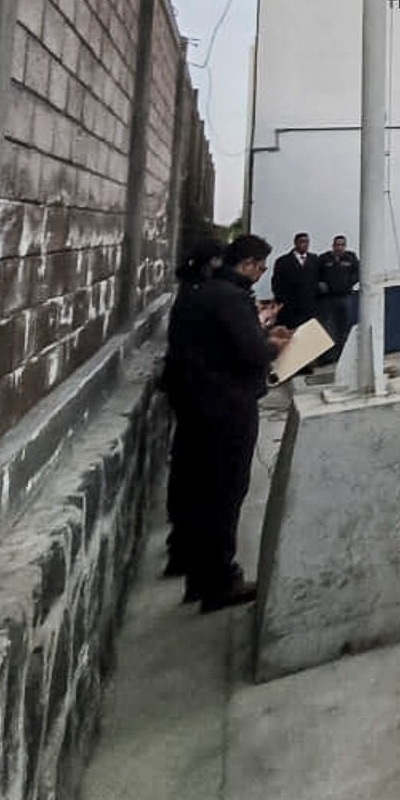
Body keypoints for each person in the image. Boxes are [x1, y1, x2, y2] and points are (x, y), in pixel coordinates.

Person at [171, 234, 290, 612]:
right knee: (223, 492)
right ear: (249, 264)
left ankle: (197, 570)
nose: (261, 275)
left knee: (203, 489)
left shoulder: (201, 294)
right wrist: (275, 346)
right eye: (260, 267)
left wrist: (262, 333)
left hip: (202, 403)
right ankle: (218, 579)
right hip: (226, 407)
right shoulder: (227, 297)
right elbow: (250, 350)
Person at [158, 237, 223, 580]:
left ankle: (184, 550)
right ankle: (196, 560)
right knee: (202, 477)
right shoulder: (199, 298)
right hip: (203, 398)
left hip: (192, 395)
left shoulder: (190, 295)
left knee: (189, 473)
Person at [317, 233, 361, 366]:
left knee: (344, 326)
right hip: (328, 299)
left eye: (342, 245)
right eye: (337, 245)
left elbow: (358, 273)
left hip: (345, 297)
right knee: (329, 327)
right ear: (333, 246)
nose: (339, 248)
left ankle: (343, 355)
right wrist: (321, 283)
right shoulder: (325, 258)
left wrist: (347, 283)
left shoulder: (351, 258)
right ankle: (329, 356)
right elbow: (317, 274)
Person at [271, 232, 320, 331]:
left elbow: (318, 279)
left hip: (309, 307)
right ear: (296, 243)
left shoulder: (314, 259)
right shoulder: (283, 261)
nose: (304, 245)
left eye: (307, 242)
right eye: (302, 242)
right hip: (290, 308)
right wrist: (282, 301)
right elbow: (276, 283)